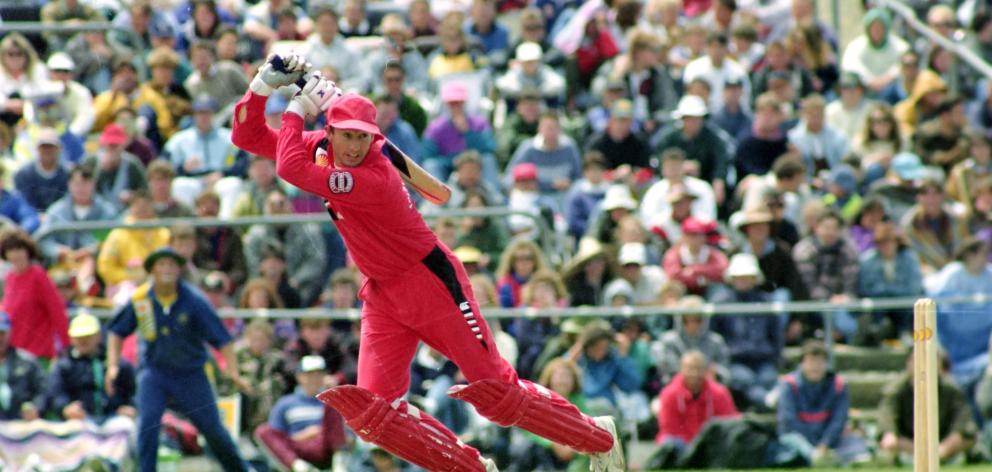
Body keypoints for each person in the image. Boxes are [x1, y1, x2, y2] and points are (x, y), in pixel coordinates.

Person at [229, 54, 625, 471]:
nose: (355, 146)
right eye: (347, 136)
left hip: (430, 282)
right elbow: (246, 136)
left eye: (364, 137)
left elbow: (290, 167)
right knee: (374, 416)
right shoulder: (323, 150)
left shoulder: (375, 176)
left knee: (496, 394)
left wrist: (295, 107)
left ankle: (597, 437)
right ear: (330, 132)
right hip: (382, 292)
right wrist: (262, 84)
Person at [105, 247, 253, 471]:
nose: (167, 270)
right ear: (152, 270)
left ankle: (240, 469)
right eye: (161, 265)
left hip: (190, 373)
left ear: (179, 270)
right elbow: (116, 332)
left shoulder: (194, 300)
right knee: (147, 424)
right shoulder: (141, 298)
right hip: (154, 372)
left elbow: (222, 338)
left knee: (213, 429)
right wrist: (113, 365)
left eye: (171, 265)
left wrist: (233, 372)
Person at [777, 341, 869, 467]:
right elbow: (789, 421)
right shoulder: (789, 384)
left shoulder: (839, 384)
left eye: (820, 362)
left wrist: (825, 443)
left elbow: (839, 419)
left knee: (853, 440)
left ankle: (847, 458)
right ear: (801, 364)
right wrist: (815, 445)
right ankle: (817, 459)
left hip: (829, 439)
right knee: (792, 442)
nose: (815, 367)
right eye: (811, 362)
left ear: (826, 364)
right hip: (799, 437)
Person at [878, 351, 976, 465]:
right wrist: (919, 452)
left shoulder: (952, 390)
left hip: (944, 442)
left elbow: (962, 425)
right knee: (889, 443)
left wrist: (942, 450)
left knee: (967, 439)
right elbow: (888, 429)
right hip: (908, 444)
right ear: (908, 363)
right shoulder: (895, 391)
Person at [256, 355, 346, 472]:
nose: (314, 378)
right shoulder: (286, 403)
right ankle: (300, 467)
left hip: (325, 449)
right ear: (299, 377)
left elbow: (343, 432)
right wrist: (303, 435)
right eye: (309, 375)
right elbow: (276, 435)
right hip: (297, 450)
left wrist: (320, 431)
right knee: (263, 431)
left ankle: (339, 466)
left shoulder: (329, 401)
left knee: (333, 404)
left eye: (319, 374)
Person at [46, 312, 137, 422]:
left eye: (88, 336)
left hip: (114, 419)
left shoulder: (117, 364)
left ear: (98, 336)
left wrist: (131, 407)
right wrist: (65, 408)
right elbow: (55, 393)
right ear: (71, 338)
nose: (83, 340)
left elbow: (133, 391)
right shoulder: (63, 366)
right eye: (79, 337)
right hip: (78, 422)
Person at [0, 228, 69, 362]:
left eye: (19, 249)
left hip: (39, 351)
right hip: (15, 351)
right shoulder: (10, 278)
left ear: (27, 251)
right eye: (11, 250)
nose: (15, 254)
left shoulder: (38, 275)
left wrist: (65, 345)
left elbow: (57, 310)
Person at [656, 351, 739, 447]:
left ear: (706, 370)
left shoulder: (720, 393)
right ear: (681, 370)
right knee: (669, 443)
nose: (694, 373)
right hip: (680, 445)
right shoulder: (669, 394)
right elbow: (669, 429)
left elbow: (729, 422)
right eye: (690, 369)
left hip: (710, 444)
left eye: (699, 369)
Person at [0, 311, 46, 420]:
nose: (0, 338)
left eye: (2, 333)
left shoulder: (27, 361)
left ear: (10, 333)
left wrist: (36, 407)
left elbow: (44, 390)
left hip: (21, 423)